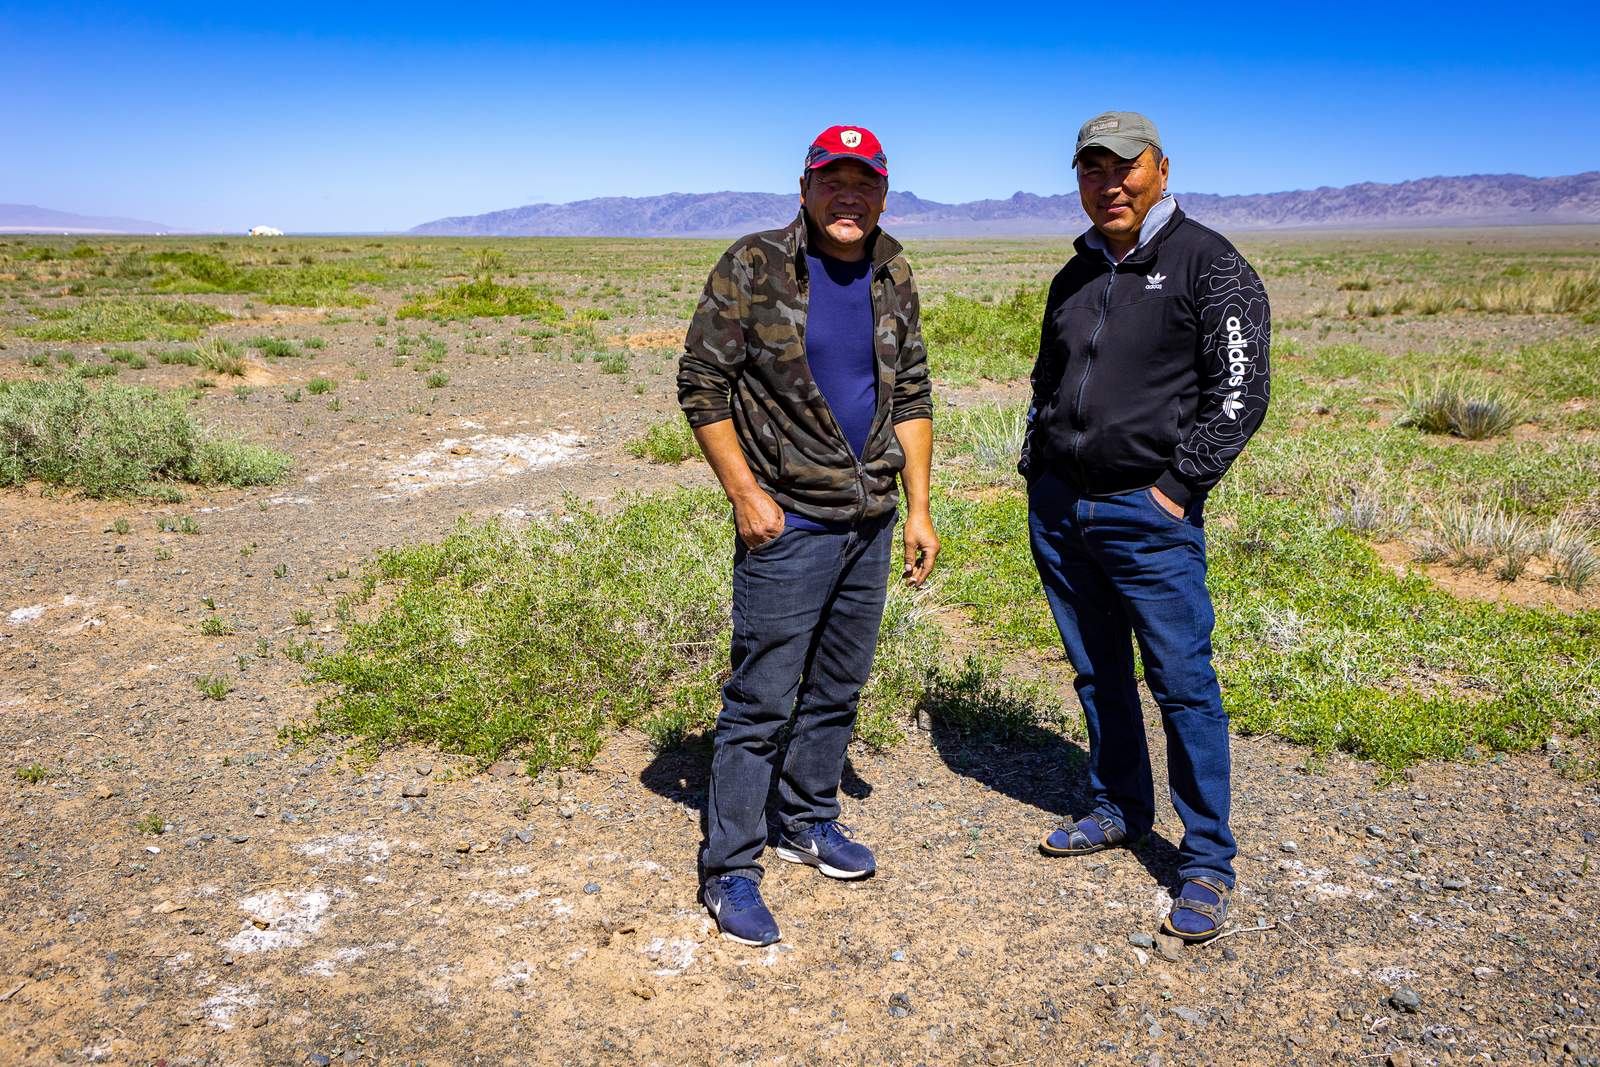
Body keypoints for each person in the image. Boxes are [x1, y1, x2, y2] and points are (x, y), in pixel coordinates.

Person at [677, 124, 938, 946]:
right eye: (834, 180)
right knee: (761, 699)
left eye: (864, 182)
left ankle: (807, 819)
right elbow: (702, 382)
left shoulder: (894, 269)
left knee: (838, 685)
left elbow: (912, 393)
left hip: (871, 518)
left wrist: (919, 507)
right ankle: (730, 867)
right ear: (805, 187)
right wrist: (746, 494)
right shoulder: (755, 264)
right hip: (787, 520)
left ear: (884, 193)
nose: (848, 195)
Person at [1020, 111, 1270, 943]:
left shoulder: (1210, 263)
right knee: (1098, 673)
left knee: (1183, 682)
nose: (1110, 184)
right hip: (1063, 510)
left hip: (1148, 514)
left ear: (1162, 169)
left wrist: (1176, 488)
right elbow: (1048, 378)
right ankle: (1118, 806)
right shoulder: (1076, 272)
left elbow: (1241, 392)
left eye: (1125, 166)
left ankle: (1207, 860)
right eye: (1092, 169)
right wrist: (1036, 469)